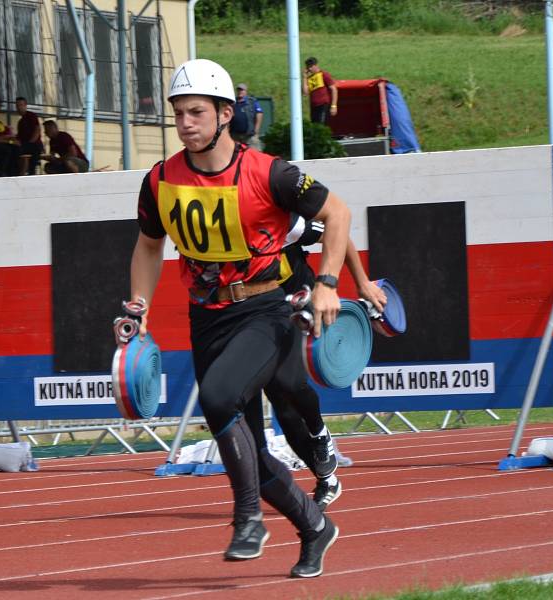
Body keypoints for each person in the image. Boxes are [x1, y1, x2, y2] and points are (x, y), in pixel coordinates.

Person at [131, 58, 350, 578]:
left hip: (268, 309)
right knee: (243, 445)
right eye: (179, 113)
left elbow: (337, 214)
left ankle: (248, 518)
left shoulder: (269, 172)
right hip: (207, 316)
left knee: (217, 398)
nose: (186, 123)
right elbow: (147, 245)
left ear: (226, 113)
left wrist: (328, 283)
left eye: (197, 112)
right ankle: (315, 527)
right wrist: (137, 307)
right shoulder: (160, 179)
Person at [264, 216, 386, 511]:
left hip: (299, 304)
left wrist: (362, 283)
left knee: (289, 382)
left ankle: (320, 434)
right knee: (281, 406)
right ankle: (326, 479)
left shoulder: (287, 223)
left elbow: (338, 235)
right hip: (261, 313)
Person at [302, 57, 338, 127]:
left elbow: (334, 89)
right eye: (308, 67)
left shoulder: (324, 74)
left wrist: (334, 106)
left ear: (315, 65)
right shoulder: (309, 78)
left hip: (323, 104)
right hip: (313, 106)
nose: (309, 69)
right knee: (314, 127)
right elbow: (305, 92)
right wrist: (304, 78)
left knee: (321, 125)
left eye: (311, 66)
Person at [229, 83, 263, 150]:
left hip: (249, 135)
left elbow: (259, 114)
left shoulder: (252, 102)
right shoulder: (233, 102)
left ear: (246, 91)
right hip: (235, 135)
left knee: (254, 154)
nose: (240, 92)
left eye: (242, 90)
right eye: (238, 90)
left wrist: (256, 131)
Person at [15, 97, 43, 176]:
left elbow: (37, 130)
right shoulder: (20, 122)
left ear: (25, 105)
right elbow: (20, 137)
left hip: (34, 145)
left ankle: (31, 174)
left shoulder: (31, 115)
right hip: (25, 145)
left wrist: (30, 143)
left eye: (21, 105)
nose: (19, 108)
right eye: (17, 106)